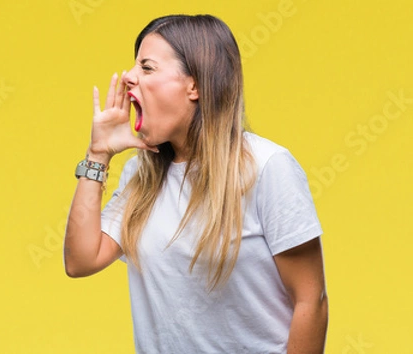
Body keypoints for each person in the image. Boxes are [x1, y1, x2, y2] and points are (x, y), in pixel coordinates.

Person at [64, 14, 328, 354]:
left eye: (147, 67)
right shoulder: (141, 177)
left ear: (196, 86)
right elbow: (81, 260)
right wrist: (97, 154)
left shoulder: (267, 168)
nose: (129, 77)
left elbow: (311, 301)